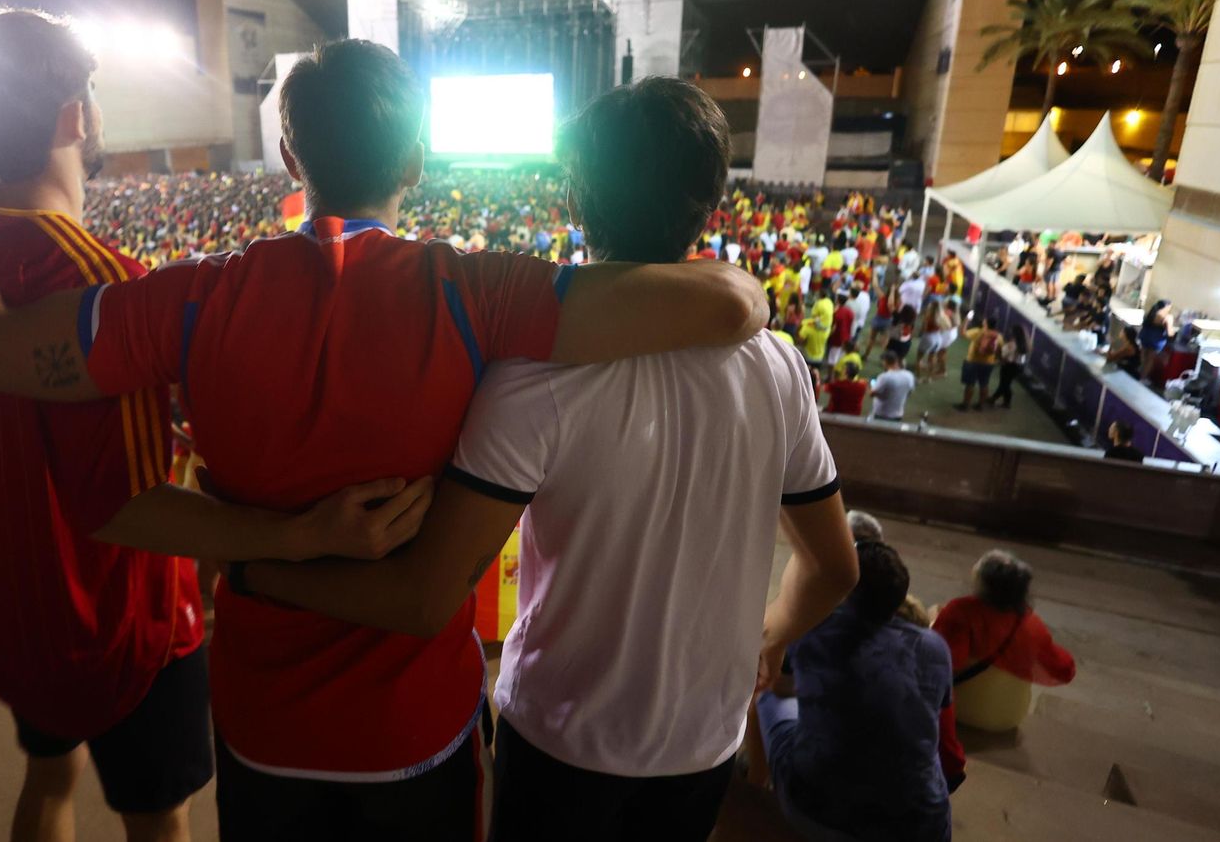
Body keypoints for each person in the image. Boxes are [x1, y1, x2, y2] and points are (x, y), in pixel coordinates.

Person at [0, 38, 770, 839]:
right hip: (417, 726)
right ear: (417, 164)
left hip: (261, 717)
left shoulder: (187, 299)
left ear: (292, 158)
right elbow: (729, 304)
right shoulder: (477, 291)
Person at [211, 77, 860, 841]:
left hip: (560, 736)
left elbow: (425, 595)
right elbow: (834, 567)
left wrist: (254, 568)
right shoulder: (777, 366)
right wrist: (766, 637)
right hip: (702, 740)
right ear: (712, 203)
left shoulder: (532, 380)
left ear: (577, 201)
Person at [0, 11, 457, 842]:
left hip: (11, 609)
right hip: (120, 625)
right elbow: (126, 501)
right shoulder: (100, 280)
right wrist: (298, 535)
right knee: (160, 819)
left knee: (49, 778)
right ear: (76, 116)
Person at [756, 540, 964, 842]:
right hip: (923, 827)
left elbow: (783, 686)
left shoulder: (814, 630)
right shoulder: (933, 647)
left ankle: (755, 782)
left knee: (766, 692)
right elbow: (936, 717)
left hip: (818, 814)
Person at [932, 550, 1076, 733]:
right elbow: (1064, 669)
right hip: (1010, 715)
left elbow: (949, 660)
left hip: (960, 708)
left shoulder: (962, 610)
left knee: (932, 617)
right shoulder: (1032, 624)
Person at [955, 312, 1003, 412]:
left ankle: (965, 405)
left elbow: (963, 333)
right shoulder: (999, 337)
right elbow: (999, 352)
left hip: (972, 361)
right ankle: (980, 405)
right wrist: (995, 360)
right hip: (988, 364)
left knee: (970, 384)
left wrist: (966, 320)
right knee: (984, 384)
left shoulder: (978, 332)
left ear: (986, 323)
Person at [871, 351, 916, 423]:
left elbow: (873, 393)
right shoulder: (909, 375)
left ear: (885, 362)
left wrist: (873, 385)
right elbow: (910, 392)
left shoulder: (884, 377)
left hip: (882, 413)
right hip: (898, 414)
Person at [990, 325, 1029, 409]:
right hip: (1017, 367)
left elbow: (1003, 356)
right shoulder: (1024, 344)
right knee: (1006, 384)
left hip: (1008, 366)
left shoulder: (1012, 344)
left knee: (1004, 384)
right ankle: (1002, 401)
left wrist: (999, 352)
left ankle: (996, 400)